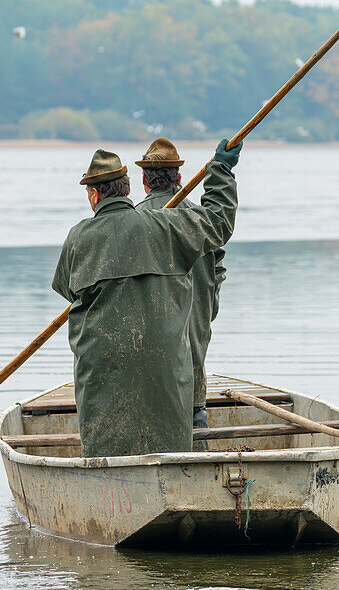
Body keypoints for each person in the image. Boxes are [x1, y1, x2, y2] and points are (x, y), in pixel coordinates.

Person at [52, 140, 241, 457]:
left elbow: (67, 290)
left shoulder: (78, 238)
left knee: (106, 450)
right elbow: (218, 222)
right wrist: (220, 171)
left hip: (102, 384)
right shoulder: (167, 226)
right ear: (127, 188)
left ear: (95, 195)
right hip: (171, 381)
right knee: (178, 438)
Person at [135, 138, 226, 439]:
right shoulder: (201, 220)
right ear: (179, 179)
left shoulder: (132, 222)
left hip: (148, 378)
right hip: (193, 368)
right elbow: (217, 274)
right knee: (196, 430)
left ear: (145, 180)